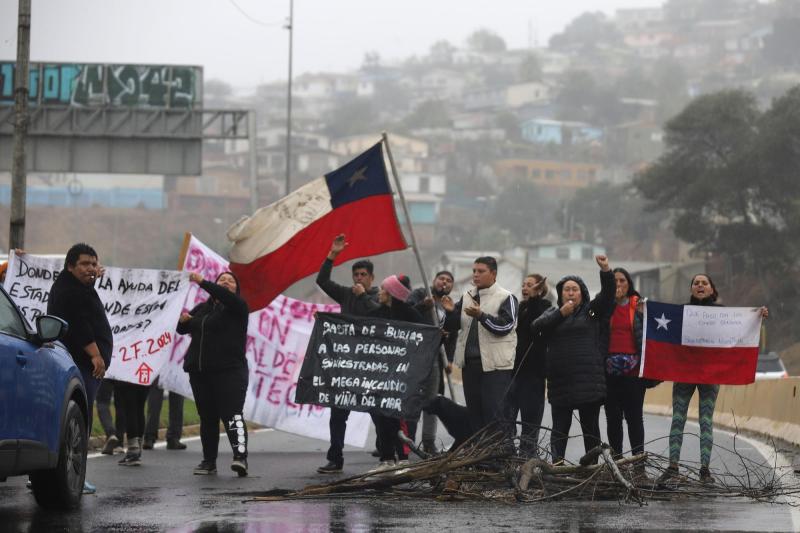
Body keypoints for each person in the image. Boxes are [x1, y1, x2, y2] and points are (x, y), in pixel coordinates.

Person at [657, 274, 769, 484]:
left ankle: (705, 470)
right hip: (684, 373)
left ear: (711, 289)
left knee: (706, 421)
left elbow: (740, 329)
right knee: (678, 419)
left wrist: (758, 316)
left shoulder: (722, 313)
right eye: (696, 283)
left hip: (710, 375)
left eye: (704, 283)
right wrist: (647, 312)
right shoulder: (680, 312)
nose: (700, 285)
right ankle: (672, 467)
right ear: (691, 289)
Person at [532, 255, 614, 465]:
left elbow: (607, 296)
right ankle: (557, 466)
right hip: (560, 383)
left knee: (591, 429)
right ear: (560, 293)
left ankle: (591, 468)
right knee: (559, 428)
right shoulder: (553, 313)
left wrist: (605, 270)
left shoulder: (592, 312)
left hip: (589, 383)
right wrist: (560, 314)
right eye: (566, 289)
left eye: (574, 289)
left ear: (582, 293)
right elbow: (536, 327)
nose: (570, 292)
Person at [47, 243, 112, 494]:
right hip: (81, 364)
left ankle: (61, 473)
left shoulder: (74, 286)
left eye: (94, 264)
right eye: (85, 264)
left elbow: (82, 307)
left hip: (78, 363)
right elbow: (79, 323)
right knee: (78, 421)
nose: (91, 269)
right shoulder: (71, 291)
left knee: (73, 419)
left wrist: (93, 279)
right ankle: (73, 475)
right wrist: (95, 354)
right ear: (70, 266)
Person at [315, 234, 381, 474]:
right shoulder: (345, 294)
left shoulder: (378, 297)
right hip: (346, 365)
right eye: (356, 274)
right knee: (338, 412)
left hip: (371, 365)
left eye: (364, 275)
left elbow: (379, 315)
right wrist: (332, 255)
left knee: (377, 411)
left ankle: (387, 453)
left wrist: (363, 295)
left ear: (372, 278)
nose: (359, 278)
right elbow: (322, 281)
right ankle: (335, 458)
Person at [177, 271, 250, 477]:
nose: (226, 282)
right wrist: (184, 321)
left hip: (230, 372)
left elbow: (221, 299)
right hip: (200, 373)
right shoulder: (202, 308)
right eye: (222, 280)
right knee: (207, 418)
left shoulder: (238, 307)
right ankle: (208, 461)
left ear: (236, 289)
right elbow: (181, 330)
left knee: (232, 415)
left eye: (231, 281)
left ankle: (240, 457)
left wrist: (203, 282)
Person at [442, 256, 518, 437]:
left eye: (481, 271)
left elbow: (505, 327)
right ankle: (479, 458)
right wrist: (450, 311)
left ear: (493, 274)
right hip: (470, 365)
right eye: (474, 271)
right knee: (475, 414)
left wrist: (481, 316)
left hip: (495, 367)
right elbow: (452, 326)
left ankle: (498, 457)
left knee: (495, 414)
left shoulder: (506, 297)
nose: (476, 275)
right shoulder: (467, 296)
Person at [367, 274, 425, 470]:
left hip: (402, 375)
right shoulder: (378, 314)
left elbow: (424, 336)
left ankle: (403, 458)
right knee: (381, 416)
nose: (379, 293)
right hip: (381, 375)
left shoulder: (410, 314)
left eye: (383, 289)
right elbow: (357, 329)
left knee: (397, 417)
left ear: (392, 293)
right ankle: (386, 459)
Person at [406, 270, 456, 454]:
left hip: (435, 358)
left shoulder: (447, 305)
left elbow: (452, 334)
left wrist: (449, 360)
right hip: (415, 355)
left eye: (449, 281)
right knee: (412, 399)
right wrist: (421, 306)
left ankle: (428, 441)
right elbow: (405, 314)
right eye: (441, 278)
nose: (444, 282)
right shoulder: (420, 294)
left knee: (432, 400)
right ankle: (408, 441)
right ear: (433, 280)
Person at [603, 268, 647, 462]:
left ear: (629, 283)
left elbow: (652, 332)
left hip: (633, 372)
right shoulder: (603, 305)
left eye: (622, 280)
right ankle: (618, 462)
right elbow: (592, 314)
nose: (618, 284)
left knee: (634, 418)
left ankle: (638, 463)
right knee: (613, 419)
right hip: (609, 371)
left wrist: (644, 314)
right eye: (615, 281)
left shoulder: (639, 305)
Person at [507, 274, 551, 455]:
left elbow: (536, 325)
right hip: (512, 372)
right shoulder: (518, 307)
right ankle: (506, 455)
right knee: (507, 419)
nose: (525, 288)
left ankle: (527, 458)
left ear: (540, 289)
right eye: (524, 285)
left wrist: (534, 299)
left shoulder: (547, 308)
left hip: (533, 374)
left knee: (530, 423)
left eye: (531, 285)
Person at [143, 377, 186, 450]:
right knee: (156, 402)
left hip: (170, 368)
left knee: (156, 402)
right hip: (166, 368)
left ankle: (150, 438)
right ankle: (172, 437)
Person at [96, 379, 126, 455]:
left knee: (102, 402)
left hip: (106, 373)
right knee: (121, 406)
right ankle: (119, 442)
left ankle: (111, 433)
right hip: (121, 373)